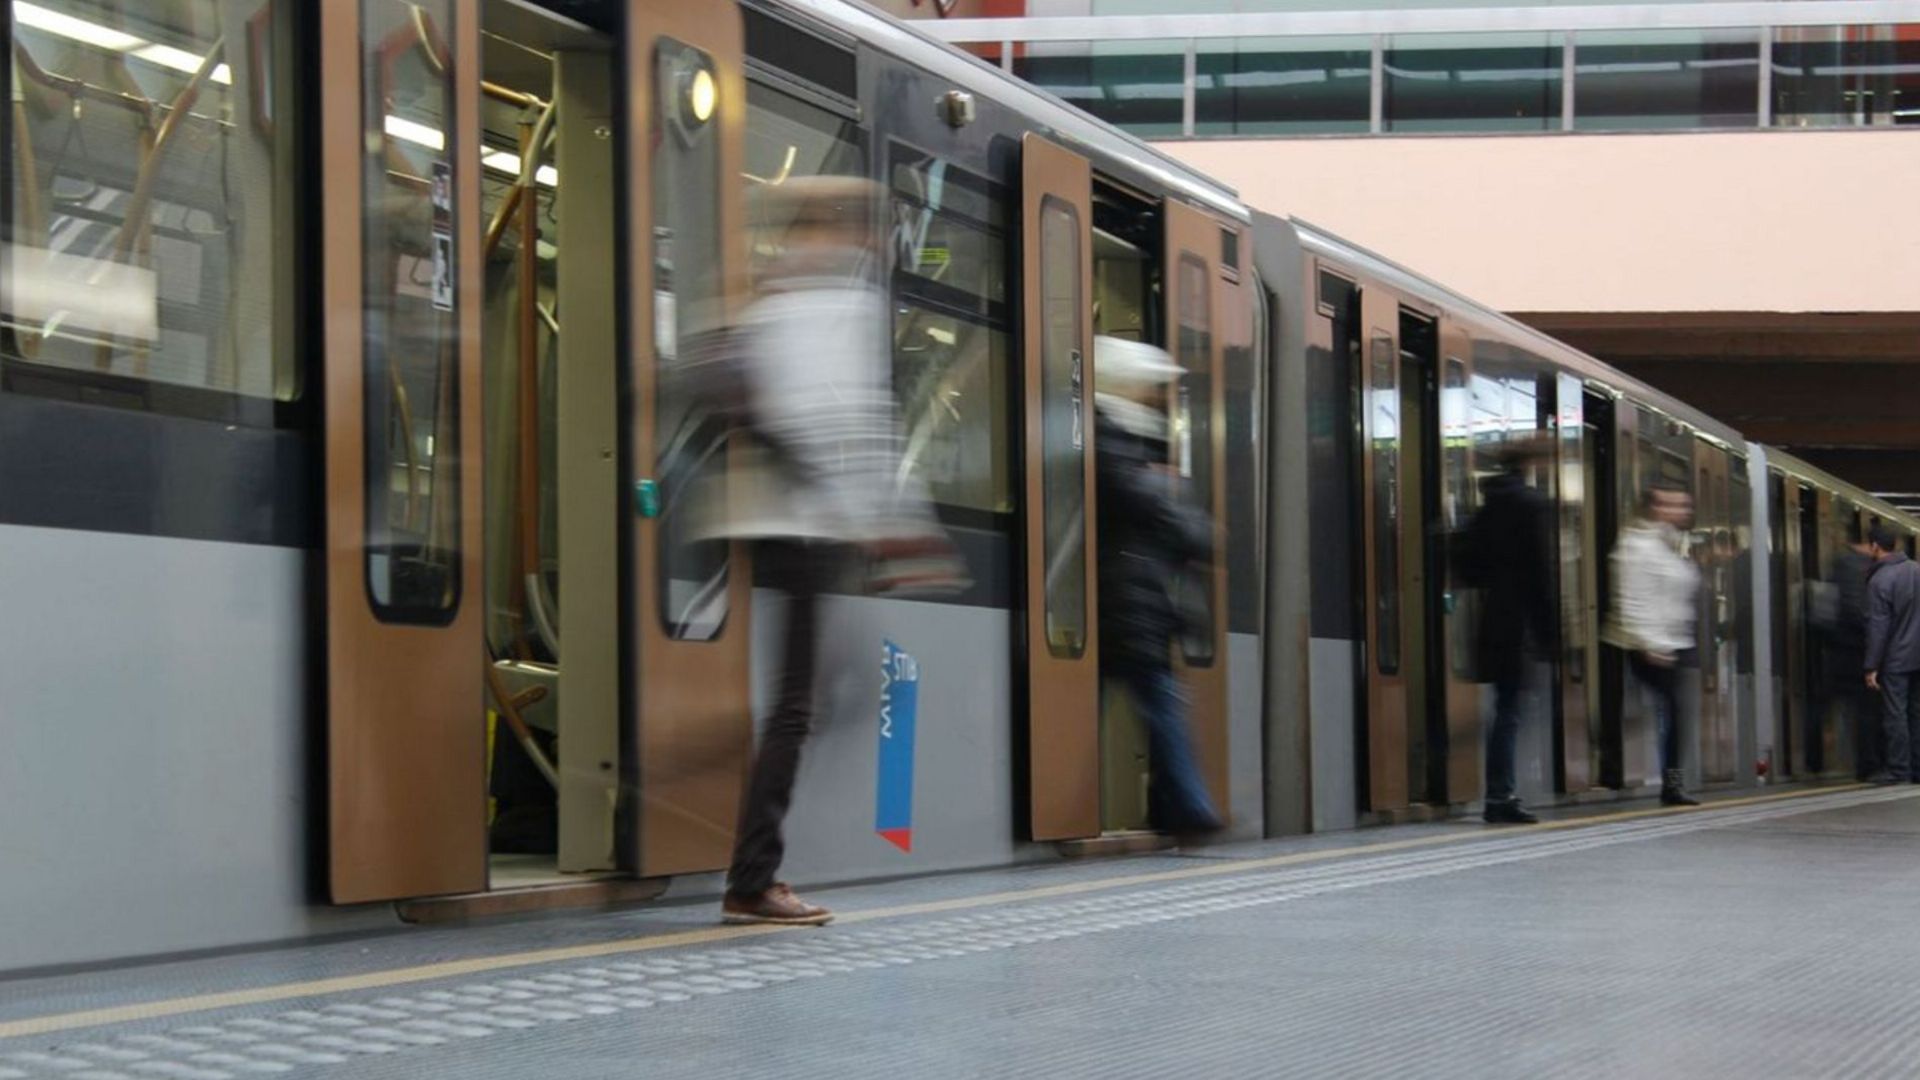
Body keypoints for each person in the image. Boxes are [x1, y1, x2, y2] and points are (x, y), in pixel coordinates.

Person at [704, 176, 953, 926]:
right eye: (862, 225)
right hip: (809, 521)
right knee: (799, 705)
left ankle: (730, 824)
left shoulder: (768, 297)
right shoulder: (841, 303)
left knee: (804, 697)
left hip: (769, 518)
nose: (871, 239)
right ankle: (751, 877)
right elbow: (847, 420)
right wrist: (895, 524)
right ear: (839, 229)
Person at [1092, 336, 1222, 837]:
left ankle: (1184, 805)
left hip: (1129, 597)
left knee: (1153, 702)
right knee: (1161, 703)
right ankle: (1189, 806)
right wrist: (1193, 523)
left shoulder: (1121, 435)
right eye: (1151, 389)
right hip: (1126, 599)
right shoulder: (1112, 435)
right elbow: (1152, 505)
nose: (1156, 399)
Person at [1458, 439, 1557, 825]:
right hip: (1518, 626)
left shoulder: (1487, 506)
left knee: (1506, 710)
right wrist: (1549, 634)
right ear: (1532, 462)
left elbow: (1470, 570)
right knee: (1511, 713)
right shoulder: (1531, 505)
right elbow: (1539, 574)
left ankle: (1500, 790)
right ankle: (1500, 795)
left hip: (1492, 618)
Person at [1613, 484, 1702, 807]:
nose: (1680, 511)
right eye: (1671, 505)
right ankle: (1671, 783)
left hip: (1677, 641)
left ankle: (1673, 781)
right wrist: (1649, 642)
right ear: (1653, 508)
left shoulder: (1670, 544)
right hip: (1652, 643)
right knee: (1674, 708)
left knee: (1679, 710)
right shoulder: (1638, 545)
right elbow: (1634, 597)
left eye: (1683, 505)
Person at [1818, 522, 1879, 779]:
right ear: (1869, 544)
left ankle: (1815, 759)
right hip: (1857, 650)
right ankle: (1867, 765)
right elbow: (1858, 611)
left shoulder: (1838, 565)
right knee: (1867, 709)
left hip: (1837, 648)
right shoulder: (1859, 567)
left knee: (1829, 703)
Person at [1863, 522, 1920, 784]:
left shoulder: (1880, 580)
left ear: (1875, 546)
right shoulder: (1917, 571)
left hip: (1896, 658)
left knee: (1895, 713)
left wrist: (1871, 665)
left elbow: (1879, 626)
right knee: (1916, 712)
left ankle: (1900, 769)